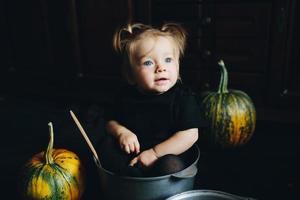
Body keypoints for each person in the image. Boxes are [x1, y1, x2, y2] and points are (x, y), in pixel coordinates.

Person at [97, 22, 206, 177]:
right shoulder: (126, 96)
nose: (161, 68)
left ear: (178, 65)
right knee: (106, 148)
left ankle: (154, 186)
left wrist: (155, 154)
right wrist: (121, 132)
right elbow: (110, 122)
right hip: (132, 153)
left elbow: (190, 135)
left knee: (172, 165)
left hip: (167, 153)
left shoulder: (183, 98)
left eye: (168, 60)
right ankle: (130, 181)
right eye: (148, 62)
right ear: (131, 74)